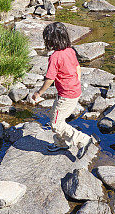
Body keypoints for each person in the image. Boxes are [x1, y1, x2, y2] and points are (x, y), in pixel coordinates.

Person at [30, 22, 96, 159]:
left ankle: (83, 140)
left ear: (51, 40)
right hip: (73, 91)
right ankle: (61, 143)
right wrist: (76, 82)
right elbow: (77, 67)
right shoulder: (70, 50)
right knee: (57, 117)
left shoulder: (55, 57)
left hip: (66, 95)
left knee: (55, 123)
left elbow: (49, 79)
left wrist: (39, 93)